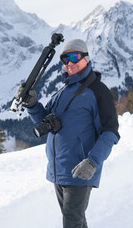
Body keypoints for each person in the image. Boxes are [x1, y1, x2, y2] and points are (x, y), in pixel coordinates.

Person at [16, 39, 120, 228]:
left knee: (71, 221)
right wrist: (31, 105)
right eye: (65, 59)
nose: (69, 63)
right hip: (60, 169)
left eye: (74, 57)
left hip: (81, 170)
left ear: (86, 58)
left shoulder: (97, 91)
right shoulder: (63, 90)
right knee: (76, 220)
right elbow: (46, 120)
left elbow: (110, 133)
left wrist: (92, 162)